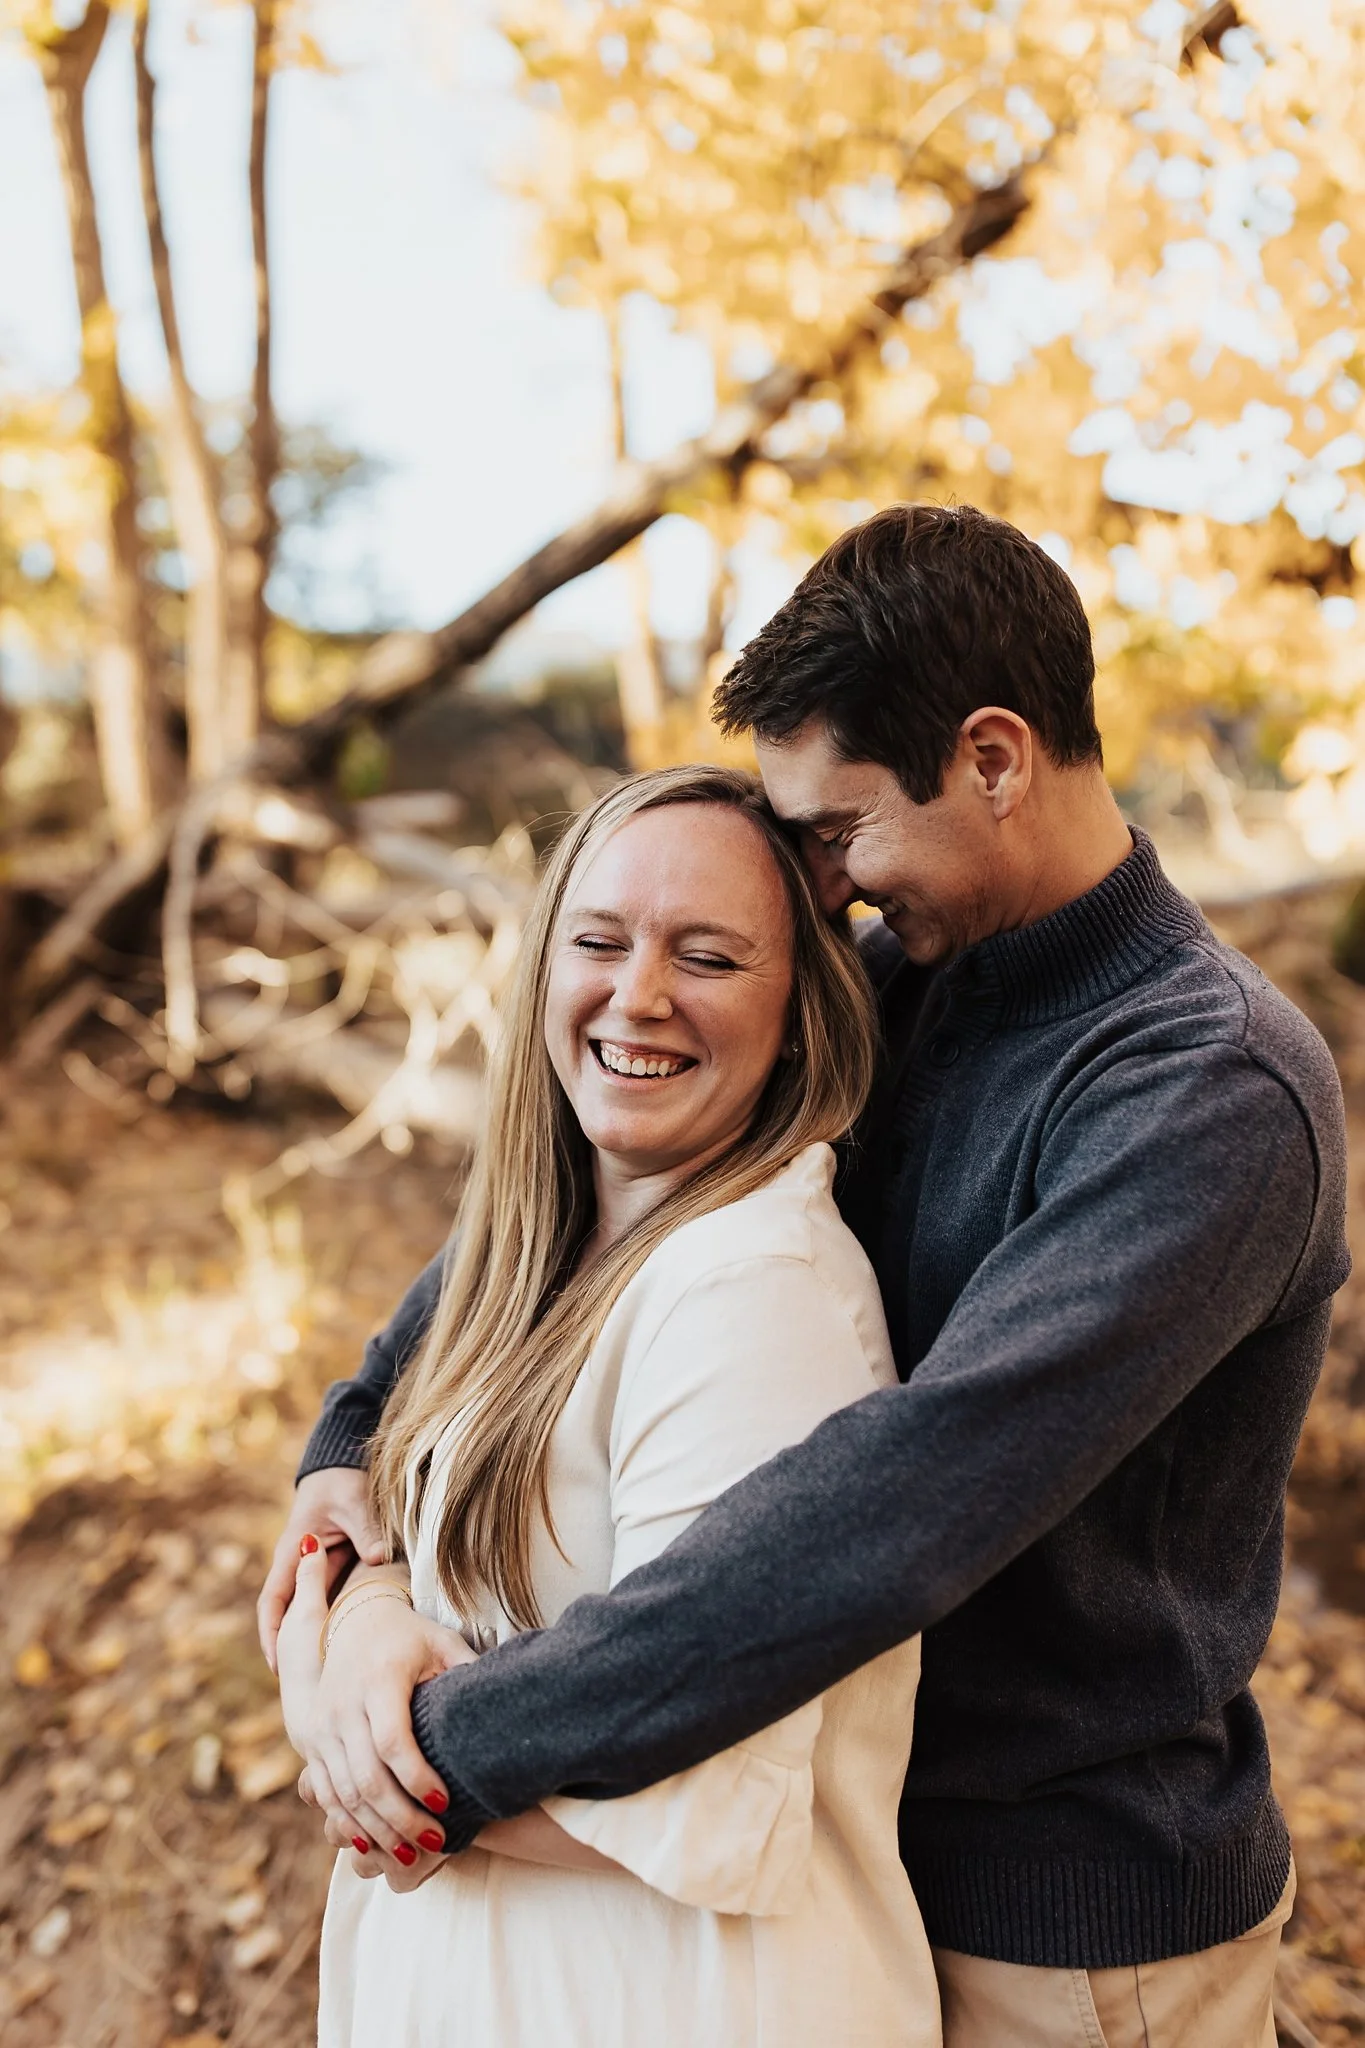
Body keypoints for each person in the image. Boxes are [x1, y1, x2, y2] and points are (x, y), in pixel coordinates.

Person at [264, 504, 1350, 2047]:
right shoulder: (908, 973)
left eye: (835, 832)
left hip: (1072, 1931)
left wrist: (445, 1748)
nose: (820, 883)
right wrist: (357, 1436)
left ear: (992, 758)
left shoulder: (1207, 1090)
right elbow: (592, 1187)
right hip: (861, 1859)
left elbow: (899, 1504)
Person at [274, 764, 942, 2046]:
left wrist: (359, 1758)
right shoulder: (543, 1250)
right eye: (598, 939)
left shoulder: (754, 1293)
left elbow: (718, 1790)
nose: (638, 995)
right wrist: (363, 1611)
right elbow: (410, 1547)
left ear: (802, 1006)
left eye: (708, 955)